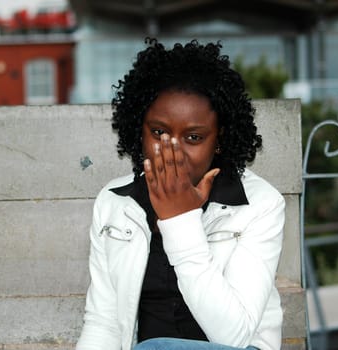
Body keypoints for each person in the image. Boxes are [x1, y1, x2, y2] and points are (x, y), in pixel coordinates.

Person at [76, 38, 285, 350]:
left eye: (193, 137)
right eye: (159, 132)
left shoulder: (261, 205)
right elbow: (103, 322)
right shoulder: (114, 202)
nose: (172, 149)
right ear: (139, 129)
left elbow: (235, 336)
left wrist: (180, 222)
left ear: (219, 140)